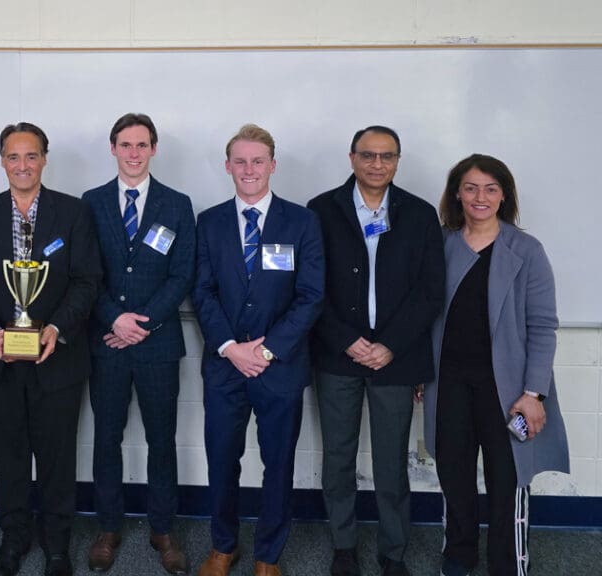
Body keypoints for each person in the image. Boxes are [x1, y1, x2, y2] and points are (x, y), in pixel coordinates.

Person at [0, 122, 101, 576]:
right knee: (10, 453)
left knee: (58, 456)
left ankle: (57, 544)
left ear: (44, 158)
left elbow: (86, 279)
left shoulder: (74, 213)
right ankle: (14, 538)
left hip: (57, 358)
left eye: (31, 155)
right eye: (13, 156)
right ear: (1, 160)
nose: (23, 165)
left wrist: (57, 327)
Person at [306, 126, 444, 576]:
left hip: (396, 358)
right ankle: (343, 546)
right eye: (368, 155)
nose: (377, 164)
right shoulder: (321, 210)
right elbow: (310, 288)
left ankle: (393, 551)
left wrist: (390, 345)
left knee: (391, 463)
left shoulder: (421, 215)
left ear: (398, 161)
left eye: (387, 156)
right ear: (352, 158)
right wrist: (346, 339)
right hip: (336, 354)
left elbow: (429, 291)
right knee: (339, 458)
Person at [424, 154, 569, 576]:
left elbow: (543, 326)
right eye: (471, 187)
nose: (480, 197)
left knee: (509, 480)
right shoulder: (441, 244)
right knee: (454, 475)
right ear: (457, 193)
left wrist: (533, 393)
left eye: (490, 188)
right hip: (448, 383)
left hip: (507, 389)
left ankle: (508, 565)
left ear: (504, 195)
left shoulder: (526, 250)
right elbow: (423, 312)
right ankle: (459, 556)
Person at [192, 124, 324, 576]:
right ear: (228, 166)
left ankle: (269, 555)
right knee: (222, 461)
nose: (249, 170)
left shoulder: (301, 221)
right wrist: (231, 348)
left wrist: (266, 351)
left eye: (258, 161)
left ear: (272, 164)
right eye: (240, 161)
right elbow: (202, 292)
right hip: (225, 367)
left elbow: (311, 295)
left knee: (279, 463)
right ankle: (222, 546)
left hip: (279, 368)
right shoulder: (208, 222)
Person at [82, 113, 195, 575]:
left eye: (141, 145)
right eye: (125, 145)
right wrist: (115, 318)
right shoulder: (90, 203)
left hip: (157, 343)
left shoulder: (177, 203)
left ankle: (163, 529)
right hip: (107, 341)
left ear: (153, 149)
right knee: (106, 438)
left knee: (161, 439)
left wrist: (141, 323)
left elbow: (182, 272)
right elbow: (86, 272)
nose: (133, 153)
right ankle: (108, 527)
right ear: (112, 149)